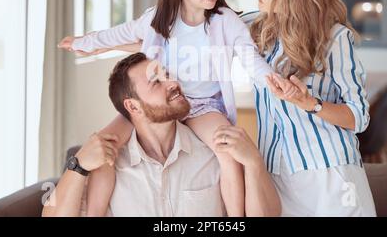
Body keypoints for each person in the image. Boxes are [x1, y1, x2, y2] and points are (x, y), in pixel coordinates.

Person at [58, 0, 272, 216]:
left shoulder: (225, 21)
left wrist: (271, 81)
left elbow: (250, 59)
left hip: (203, 106)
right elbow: (120, 34)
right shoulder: (158, 19)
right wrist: (85, 42)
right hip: (158, 101)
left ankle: (236, 219)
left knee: (228, 153)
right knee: (105, 146)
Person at [42, 53, 281, 217]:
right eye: (156, 82)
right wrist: (79, 165)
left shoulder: (215, 151)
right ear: (133, 107)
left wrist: (254, 163)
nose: (173, 82)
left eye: (168, 74)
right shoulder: (109, 166)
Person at [250, 0, 376, 216]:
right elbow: (203, 21)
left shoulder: (335, 39)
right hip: (277, 174)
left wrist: (309, 103)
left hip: (329, 175)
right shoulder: (258, 28)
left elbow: (359, 117)